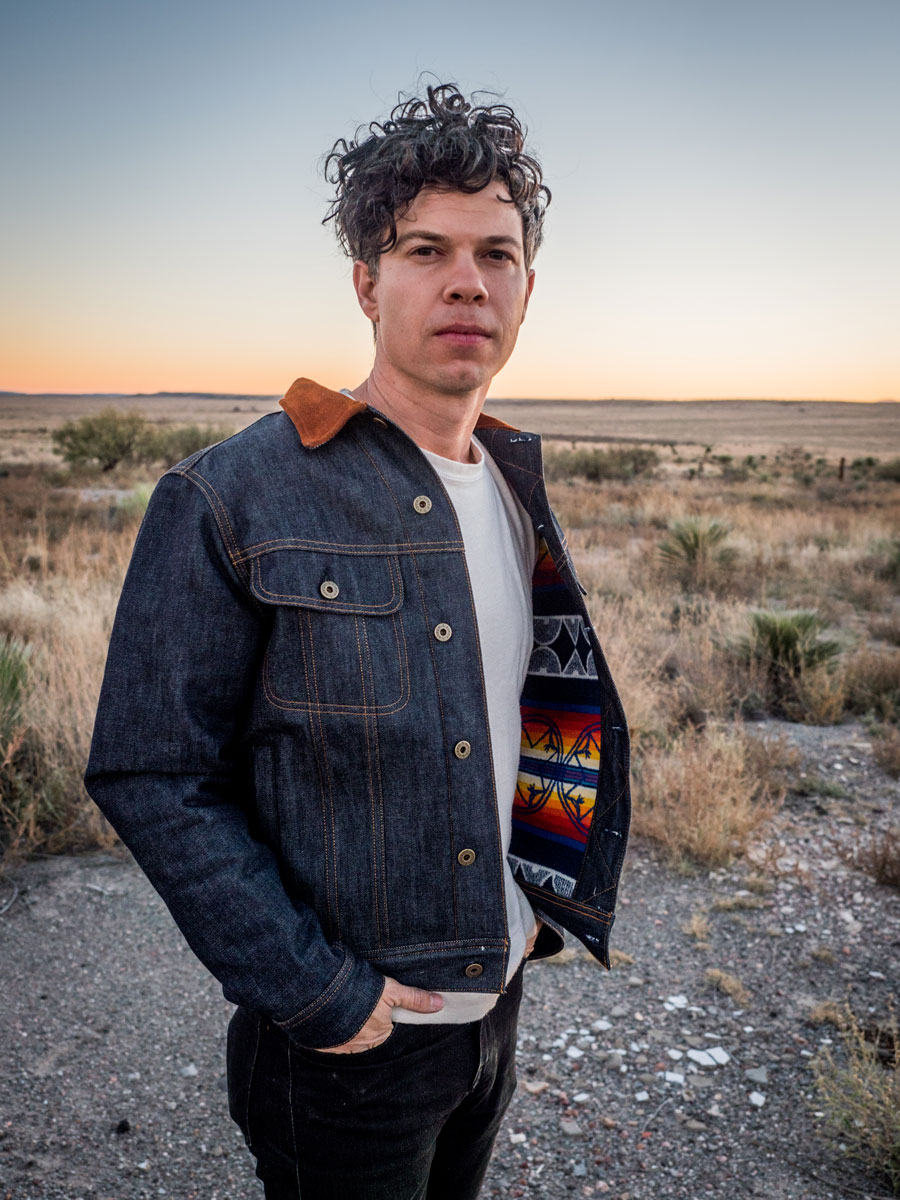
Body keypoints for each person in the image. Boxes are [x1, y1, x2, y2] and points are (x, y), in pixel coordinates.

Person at [83, 80, 631, 1200]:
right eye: (426, 248)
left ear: (529, 285)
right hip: (347, 1048)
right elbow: (151, 769)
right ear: (366, 282)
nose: (468, 280)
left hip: (497, 1004)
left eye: (498, 254)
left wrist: (540, 913)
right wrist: (319, 995)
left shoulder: (515, 486)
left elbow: (525, 718)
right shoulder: (233, 493)